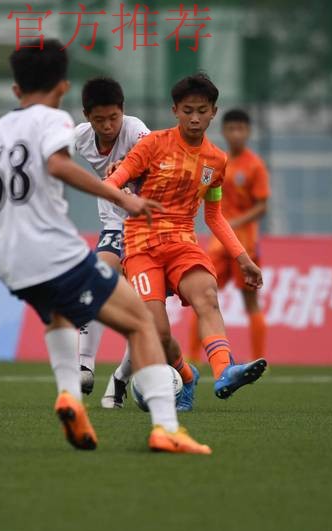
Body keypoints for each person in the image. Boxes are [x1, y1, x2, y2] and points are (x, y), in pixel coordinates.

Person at [0, 39, 211, 455]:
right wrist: (121, 197)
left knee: (58, 316)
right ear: (63, 87)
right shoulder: (53, 118)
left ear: (16, 89)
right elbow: (57, 164)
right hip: (50, 249)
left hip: (4, 257)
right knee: (142, 322)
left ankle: (71, 395)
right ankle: (166, 427)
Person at [105, 73, 267, 402]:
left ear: (213, 112)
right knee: (158, 334)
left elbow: (214, 216)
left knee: (207, 295)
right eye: (188, 110)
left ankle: (224, 370)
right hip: (141, 244)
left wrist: (243, 258)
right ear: (175, 111)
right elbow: (112, 183)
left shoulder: (216, 161)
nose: (195, 118)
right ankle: (187, 375)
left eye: (202, 111)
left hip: (182, 242)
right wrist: (128, 199)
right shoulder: (152, 145)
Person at [74, 77, 149, 407]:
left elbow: (157, 164)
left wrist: (130, 172)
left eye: (113, 118)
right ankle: (84, 366)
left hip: (148, 228)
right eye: (99, 119)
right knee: (96, 282)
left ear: (123, 111)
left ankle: (120, 379)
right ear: (86, 116)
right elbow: (50, 157)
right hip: (115, 225)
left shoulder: (136, 131)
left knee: (148, 315)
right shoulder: (79, 137)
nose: (107, 126)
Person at [188, 109, 271, 363]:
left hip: (245, 243)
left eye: (241, 129)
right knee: (202, 295)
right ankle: (193, 357)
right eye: (232, 129)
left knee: (250, 301)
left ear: (248, 132)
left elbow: (262, 206)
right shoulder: (217, 161)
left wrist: (234, 222)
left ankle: (259, 359)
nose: (236, 134)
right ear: (224, 131)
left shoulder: (255, 165)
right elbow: (202, 189)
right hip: (218, 243)